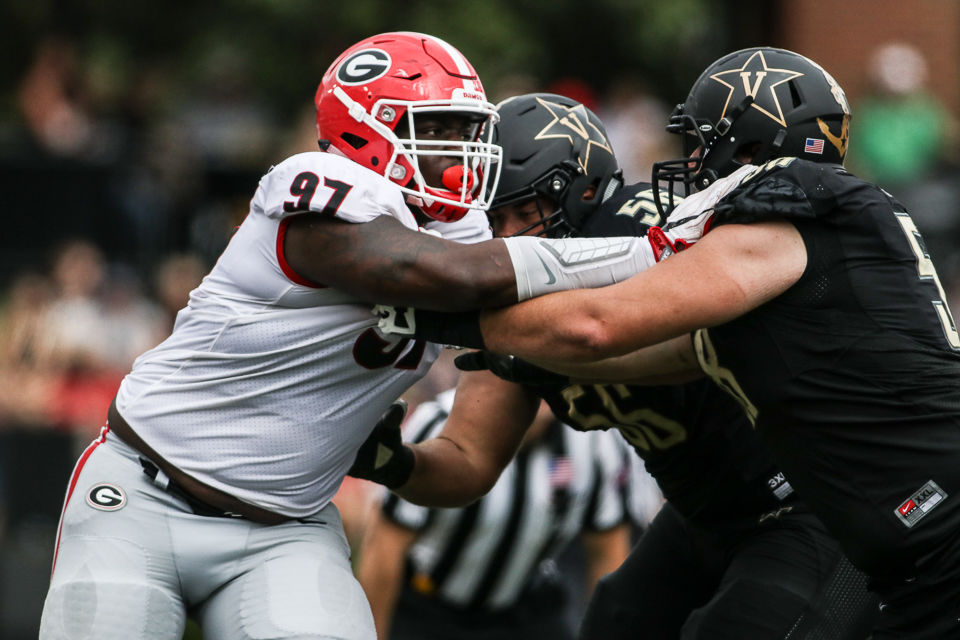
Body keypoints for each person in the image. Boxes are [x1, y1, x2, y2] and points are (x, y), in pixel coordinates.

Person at [37, 32, 697, 640]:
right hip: (143, 496)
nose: (459, 151)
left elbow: (508, 382)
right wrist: (651, 251)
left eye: (467, 130)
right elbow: (436, 273)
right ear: (364, 133)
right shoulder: (323, 193)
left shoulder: (465, 231)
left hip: (287, 529)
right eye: (436, 129)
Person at [378, 48, 960, 639]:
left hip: (813, 509)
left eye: (521, 211)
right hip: (718, 517)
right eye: (488, 220)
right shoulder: (772, 232)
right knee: (615, 623)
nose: (691, 165)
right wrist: (393, 461)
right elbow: (475, 456)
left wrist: (441, 316)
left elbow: (594, 328)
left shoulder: (715, 226)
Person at [357, 391, 632, 640]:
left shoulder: (595, 444)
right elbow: (384, 549)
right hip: (428, 606)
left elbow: (608, 553)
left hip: (522, 607)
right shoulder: (437, 423)